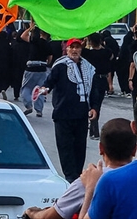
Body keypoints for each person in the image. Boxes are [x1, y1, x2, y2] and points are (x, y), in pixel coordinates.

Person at [23, 118, 136, 219]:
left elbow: (48, 217)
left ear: (101, 148)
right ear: (134, 150)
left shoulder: (89, 181)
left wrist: (32, 213)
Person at [38, 38, 102, 183]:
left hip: (81, 114)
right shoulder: (60, 66)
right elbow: (49, 82)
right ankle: (70, 179)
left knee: (79, 147)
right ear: (67, 49)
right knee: (65, 148)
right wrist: (44, 89)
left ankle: (78, 177)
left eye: (77, 48)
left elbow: (93, 90)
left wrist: (94, 108)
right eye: (71, 47)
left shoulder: (88, 68)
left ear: (81, 49)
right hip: (63, 114)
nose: (74, 50)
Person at [82, 33, 115, 140]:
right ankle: (93, 129)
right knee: (97, 105)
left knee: (93, 104)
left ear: (90, 42)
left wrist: (85, 41)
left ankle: (93, 130)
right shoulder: (106, 52)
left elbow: (81, 49)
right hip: (104, 79)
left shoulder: (88, 53)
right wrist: (110, 84)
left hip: (92, 79)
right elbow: (110, 63)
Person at [20, 25, 53, 117]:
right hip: (42, 68)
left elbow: (22, 36)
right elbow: (50, 58)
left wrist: (30, 28)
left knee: (26, 87)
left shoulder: (34, 41)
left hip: (31, 67)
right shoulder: (48, 44)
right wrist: (47, 63)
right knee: (40, 89)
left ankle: (28, 105)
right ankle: (39, 110)